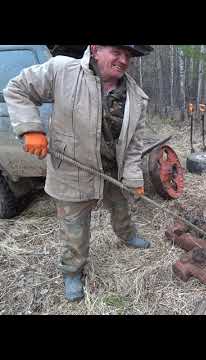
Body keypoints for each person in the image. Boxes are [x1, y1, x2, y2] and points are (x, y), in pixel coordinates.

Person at [3, 45, 154, 302]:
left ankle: (128, 235)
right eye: (117, 51)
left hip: (112, 172)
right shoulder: (63, 70)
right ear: (95, 48)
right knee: (74, 228)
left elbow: (134, 144)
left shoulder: (136, 97)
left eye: (129, 55)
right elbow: (17, 89)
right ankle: (72, 270)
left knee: (121, 208)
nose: (123, 60)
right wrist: (30, 128)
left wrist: (134, 178)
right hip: (72, 171)